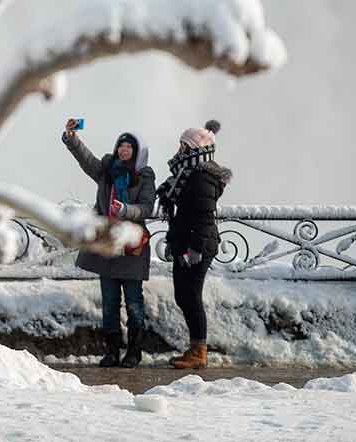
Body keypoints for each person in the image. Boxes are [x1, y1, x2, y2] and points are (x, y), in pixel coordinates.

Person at [62, 119, 156, 368]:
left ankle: (134, 352)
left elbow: (147, 207)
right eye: (121, 146)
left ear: (137, 152)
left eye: (128, 147)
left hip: (131, 246)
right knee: (110, 304)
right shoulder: (107, 171)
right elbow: (86, 160)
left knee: (134, 302)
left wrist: (126, 209)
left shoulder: (144, 176)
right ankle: (112, 351)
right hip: (108, 246)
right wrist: (72, 138)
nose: (123, 150)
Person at [156, 119, 232, 370]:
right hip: (186, 241)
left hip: (197, 245)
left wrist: (195, 250)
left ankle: (199, 352)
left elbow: (203, 216)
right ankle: (196, 348)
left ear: (195, 150)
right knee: (184, 295)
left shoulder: (200, 178)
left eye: (183, 146)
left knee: (191, 296)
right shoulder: (186, 174)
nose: (179, 150)